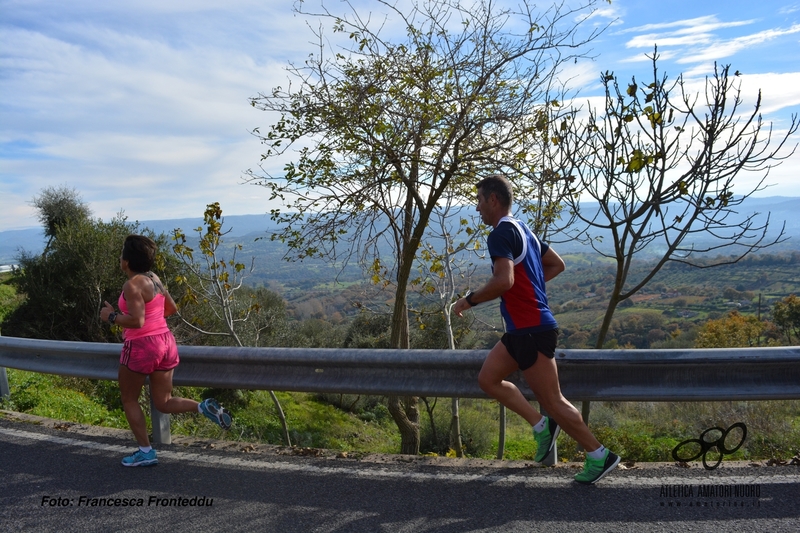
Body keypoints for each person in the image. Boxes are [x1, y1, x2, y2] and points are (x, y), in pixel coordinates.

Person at [453, 175, 620, 484]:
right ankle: (541, 426)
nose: (477, 208)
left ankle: (599, 455)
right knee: (488, 379)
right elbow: (556, 265)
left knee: (554, 401)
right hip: (520, 330)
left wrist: (469, 300)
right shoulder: (524, 230)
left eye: (478, 201)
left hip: (532, 329)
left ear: (493, 200)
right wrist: (530, 287)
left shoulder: (500, 234)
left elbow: (504, 281)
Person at [100, 234, 231, 467]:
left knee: (129, 399)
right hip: (166, 342)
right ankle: (202, 407)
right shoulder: (154, 279)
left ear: (127, 262)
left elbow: (137, 322)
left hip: (141, 346)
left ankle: (146, 451)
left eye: (122, 255)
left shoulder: (131, 285)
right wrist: (149, 320)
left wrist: (110, 316)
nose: (120, 258)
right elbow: (171, 308)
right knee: (163, 401)